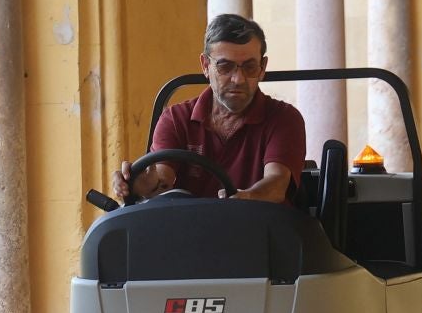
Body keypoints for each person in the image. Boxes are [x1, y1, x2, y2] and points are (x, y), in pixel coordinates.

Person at [111, 13, 306, 205]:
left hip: (259, 231)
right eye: (225, 67)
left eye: (250, 67)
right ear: (205, 65)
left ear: (263, 68)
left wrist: (245, 199)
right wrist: (139, 183)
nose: (238, 79)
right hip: (188, 232)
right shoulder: (176, 119)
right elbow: (162, 178)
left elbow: (277, 185)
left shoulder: (284, 118)